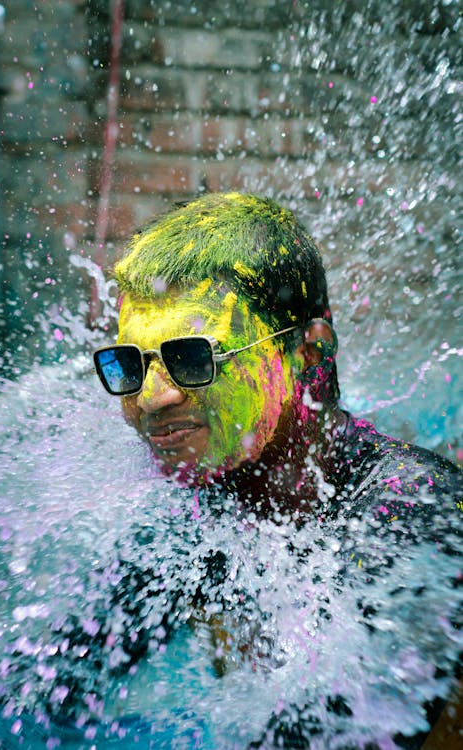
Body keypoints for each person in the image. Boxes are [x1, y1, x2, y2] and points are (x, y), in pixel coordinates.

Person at [90, 192, 462, 748]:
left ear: (309, 353)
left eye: (193, 358)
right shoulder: (191, 529)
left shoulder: (414, 510)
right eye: (129, 363)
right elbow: (52, 691)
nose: (151, 398)